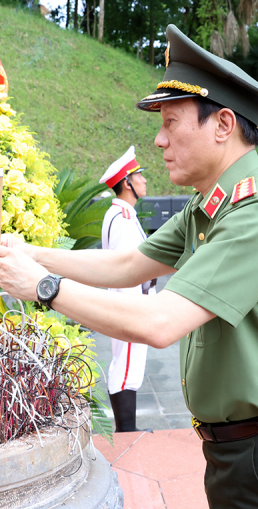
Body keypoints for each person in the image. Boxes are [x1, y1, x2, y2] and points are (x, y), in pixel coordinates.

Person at [0, 24, 258, 509]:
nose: (159, 140)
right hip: (241, 447)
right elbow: (127, 265)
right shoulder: (211, 203)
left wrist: (41, 287)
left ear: (223, 124)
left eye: (170, 122)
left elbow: (160, 323)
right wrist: (34, 254)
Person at [99, 146, 155, 432]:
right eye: (139, 175)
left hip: (128, 300)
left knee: (126, 362)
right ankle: (126, 432)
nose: (144, 180)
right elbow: (126, 267)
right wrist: (135, 307)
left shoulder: (122, 213)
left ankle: (126, 430)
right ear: (127, 182)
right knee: (127, 366)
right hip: (129, 301)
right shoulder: (121, 218)